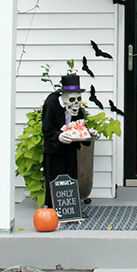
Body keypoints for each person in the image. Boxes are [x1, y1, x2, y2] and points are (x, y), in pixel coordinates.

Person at [42, 74, 92, 207]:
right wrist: (58, 136)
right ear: (64, 97)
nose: (76, 103)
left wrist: (87, 133)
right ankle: (51, 208)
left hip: (70, 149)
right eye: (72, 99)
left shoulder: (76, 108)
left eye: (79, 99)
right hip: (54, 150)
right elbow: (46, 129)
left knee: (70, 178)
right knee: (53, 179)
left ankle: (69, 210)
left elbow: (80, 126)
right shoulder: (52, 104)